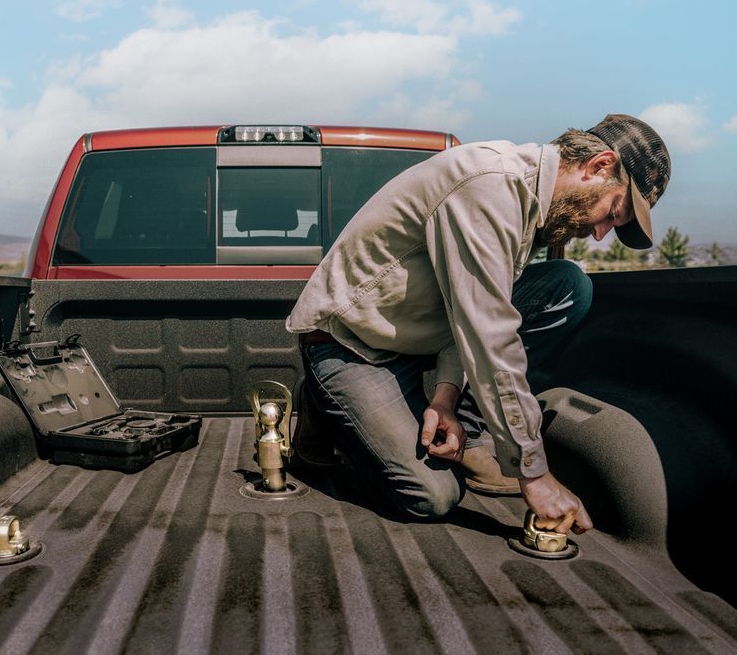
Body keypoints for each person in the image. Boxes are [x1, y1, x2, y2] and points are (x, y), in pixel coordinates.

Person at [287, 114, 671, 535]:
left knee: (565, 285)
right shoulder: (489, 186)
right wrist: (534, 472)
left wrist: (446, 400)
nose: (600, 234)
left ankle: (469, 435)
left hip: (419, 338)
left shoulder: (529, 204)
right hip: (351, 346)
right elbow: (489, 334)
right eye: (612, 213)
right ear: (598, 165)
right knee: (432, 496)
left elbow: (471, 312)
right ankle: (324, 408)